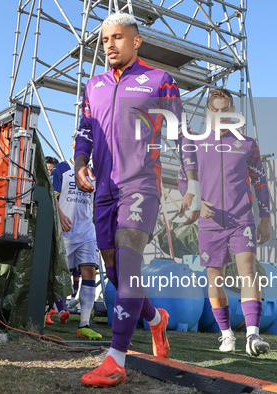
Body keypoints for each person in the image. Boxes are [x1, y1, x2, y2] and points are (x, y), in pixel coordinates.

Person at [75, 12, 197, 387]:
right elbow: (84, 133)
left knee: (128, 266)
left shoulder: (160, 81)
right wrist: (80, 163)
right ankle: (156, 319)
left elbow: (183, 136)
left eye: (117, 38)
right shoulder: (92, 85)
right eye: (105, 39)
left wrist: (191, 183)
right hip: (103, 192)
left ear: (136, 40)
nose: (110, 45)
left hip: (140, 186)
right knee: (114, 273)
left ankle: (115, 359)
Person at [178, 88, 271, 357]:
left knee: (248, 271)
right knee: (214, 277)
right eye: (216, 110)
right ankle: (226, 335)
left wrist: (265, 218)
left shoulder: (247, 143)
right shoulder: (193, 143)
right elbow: (185, 179)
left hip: (241, 217)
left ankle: (252, 334)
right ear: (208, 112)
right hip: (210, 222)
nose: (221, 115)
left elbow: (260, 182)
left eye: (226, 110)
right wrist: (196, 201)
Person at [50, 139, 102, 339]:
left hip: (87, 232)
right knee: (56, 274)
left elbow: (97, 203)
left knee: (89, 270)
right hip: (65, 233)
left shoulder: (95, 174)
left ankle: (84, 324)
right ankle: (45, 312)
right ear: (74, 146)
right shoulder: (61, 169)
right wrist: (60, 216)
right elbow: (51, 196)